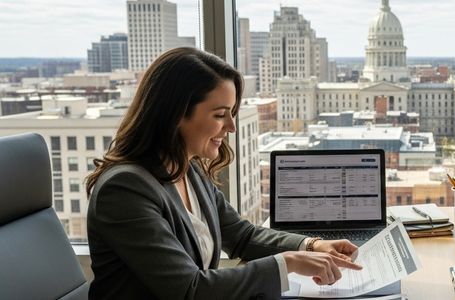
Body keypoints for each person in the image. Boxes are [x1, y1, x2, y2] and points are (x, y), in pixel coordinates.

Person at [85, 47, 362, 299]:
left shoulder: (188, 169)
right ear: (176, 114)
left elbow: (243, 236)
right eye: (220, 115)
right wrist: (289, 263)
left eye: (232, 113)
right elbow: (189, 290)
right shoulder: (124, 189)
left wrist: (312, 246)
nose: (231, 126)